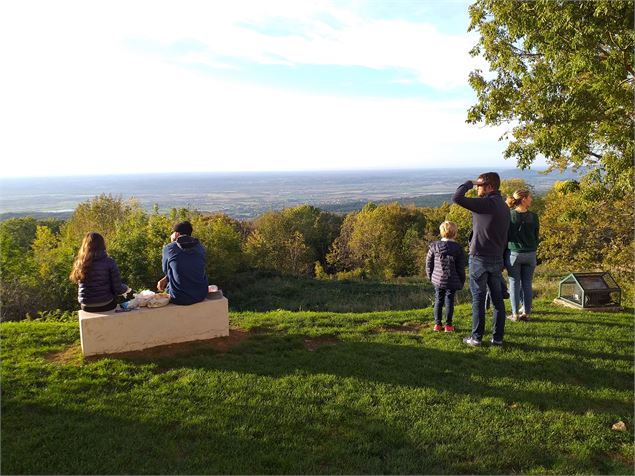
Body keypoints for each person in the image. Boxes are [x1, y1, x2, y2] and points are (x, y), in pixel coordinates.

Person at [452, 172, 510, 346]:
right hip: (496, 258)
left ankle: (476, 338)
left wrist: (468, 183)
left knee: (478, 299)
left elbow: (457, 197)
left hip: (479, 258)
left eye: (480, 185)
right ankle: (497, 338)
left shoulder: (486, 203)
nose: (477, 188)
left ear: (490, 187)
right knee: (497, 300)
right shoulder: (504, 206)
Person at [69, 232, 131, 312]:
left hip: (86, 305)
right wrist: (127, 288)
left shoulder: (80, 263)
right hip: (106, 304)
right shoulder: (109, 262)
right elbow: (118, 289)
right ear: (102, 245)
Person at [426, 221, 466, 333]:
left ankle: (437, 325)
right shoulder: (458, 249)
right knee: (449, 301)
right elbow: (460, 268)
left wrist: (430, 277)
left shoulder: (434, 247)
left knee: (438, 300)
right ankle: (448, 326)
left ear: (441, 232)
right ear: (455, 233)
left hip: (437, 279)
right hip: (452, 281)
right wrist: (461, 281)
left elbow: (428, 264)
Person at [506, 189, 540, 321]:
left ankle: (515, 314)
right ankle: (526, 313)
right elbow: (536, 236)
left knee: (514, 284)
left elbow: (505, 236)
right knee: (527, 284)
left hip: (514, 253)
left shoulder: (509, 215)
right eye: (530, 197)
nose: (531, 199)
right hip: (530, 254)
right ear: (524, 199)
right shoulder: (534, 217)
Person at [157, 221, 208, 305]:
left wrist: (172, 242)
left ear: (177, 233)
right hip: (201, 294)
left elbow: (166, 270)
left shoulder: (169, 248)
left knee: (168, 286)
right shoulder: (200, 247)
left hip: (179, 297)